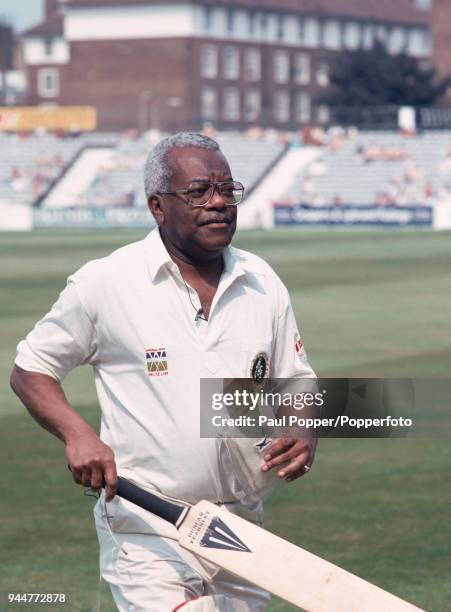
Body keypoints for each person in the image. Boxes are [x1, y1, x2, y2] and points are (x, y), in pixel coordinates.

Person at [10, 132, 316, 612]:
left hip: (241, 526)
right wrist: (78, 435)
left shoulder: (262, 281)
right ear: (157, 206)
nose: (218, 203)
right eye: (198, 192)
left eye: (227, 190)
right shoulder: (106, 282)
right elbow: (31, 368)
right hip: (147, 521)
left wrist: (301, 426)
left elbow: (296, 379)